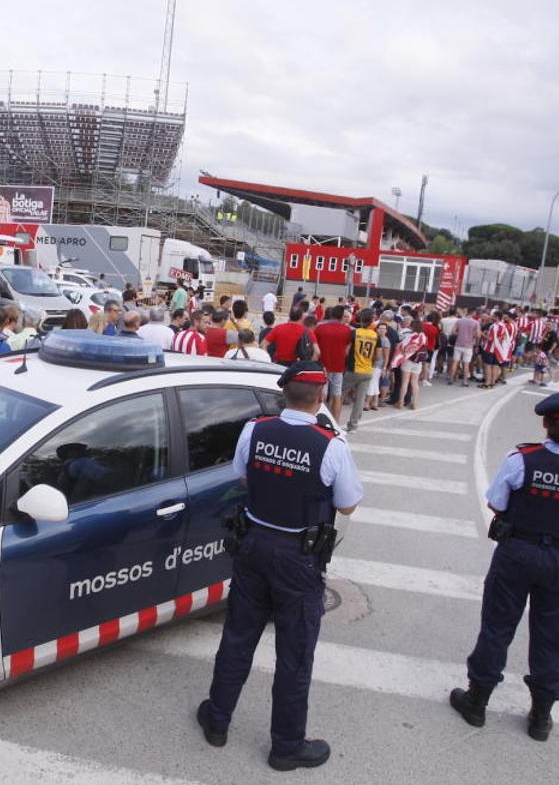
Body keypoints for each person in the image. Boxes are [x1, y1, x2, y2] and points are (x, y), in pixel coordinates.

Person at [199, 362, 362, 771]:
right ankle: (286, 746)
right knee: (295, 653)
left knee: (238, 637)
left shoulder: (255, 429)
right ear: (321, 396)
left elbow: (242, 476)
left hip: (253, 545)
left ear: (284, 394)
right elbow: (347, 505)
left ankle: (217, 720)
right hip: (298, 558)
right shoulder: (331, 445)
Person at [451, 392, 559, 742]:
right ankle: (541, 716)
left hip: (518, 552)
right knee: (553, 636)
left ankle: (477, 702)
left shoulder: (522, 459)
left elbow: (496, 503)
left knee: (497, 626)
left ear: (546, 423)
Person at [313, 305, 352, 421]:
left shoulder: (320, 328)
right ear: (342, 316)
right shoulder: (347, 330)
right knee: (337, 395)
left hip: (322, 366)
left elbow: (315, 349)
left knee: (321, 395)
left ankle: (319, 420)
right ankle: (336, 422)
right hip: (338, 366)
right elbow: (346, 351)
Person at [343, 308, 379, 432]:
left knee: (340, 395)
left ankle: (333, 421)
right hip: (367, 370)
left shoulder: (355, 332)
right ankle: (353, 426)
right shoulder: (375, 335)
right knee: (360, 400)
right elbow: (378, 356)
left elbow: (346, 351)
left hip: (353, 368)